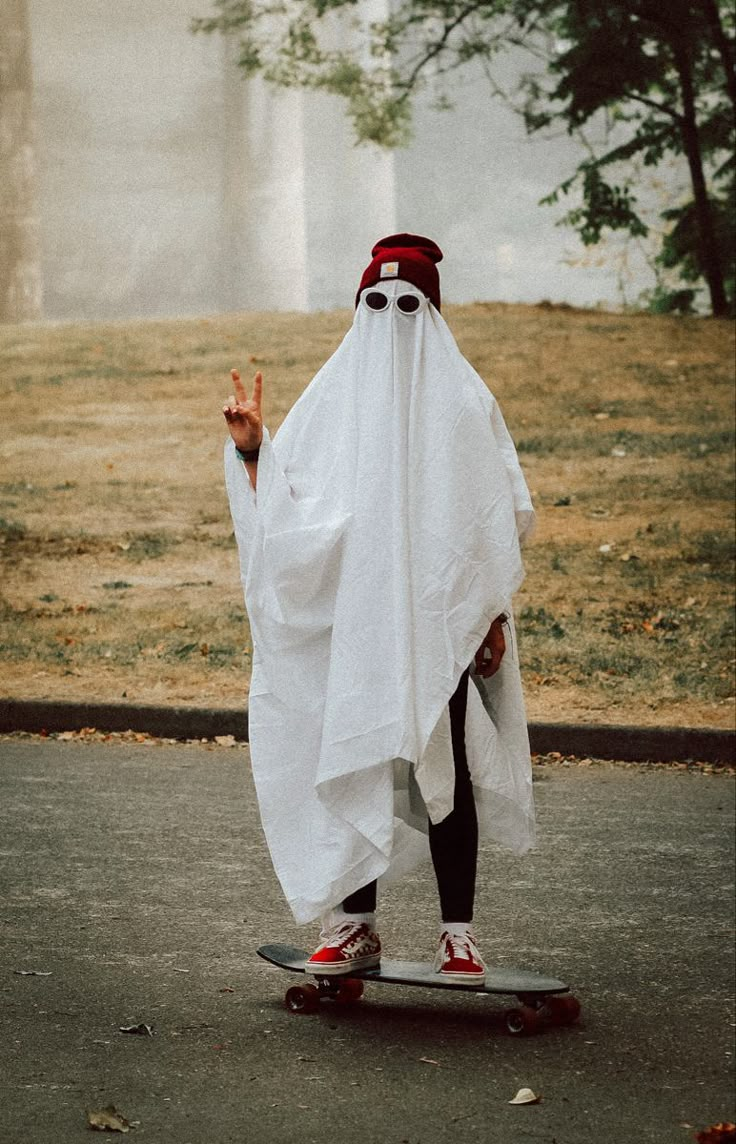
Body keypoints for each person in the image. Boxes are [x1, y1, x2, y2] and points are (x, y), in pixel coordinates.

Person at [223, 234, 536, 985]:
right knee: (358, 753)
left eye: (408, 304)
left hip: (440, 621)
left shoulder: (465, 403)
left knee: (447, 764)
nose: (391, 316)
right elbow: (293, 521)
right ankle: (354, 925)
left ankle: (457, 934)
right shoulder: (330, 406)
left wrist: (489, 613)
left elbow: (494, 519)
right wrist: (255, 451)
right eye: (376, 303)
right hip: (356, 625)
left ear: (432, 311)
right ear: (357, 309)